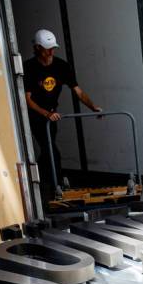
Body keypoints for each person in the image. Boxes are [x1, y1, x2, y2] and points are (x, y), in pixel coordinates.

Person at [24, 28, 101, 190]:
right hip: (36, 115)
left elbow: (78, 91)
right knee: (52, 150)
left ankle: (36, 178)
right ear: (37, 48)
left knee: (48, 149)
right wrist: (47, 113)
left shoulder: (61, 66)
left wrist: (92, 106)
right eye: (47, 48)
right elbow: (27, 100)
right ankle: (57, 186)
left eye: (53, 48)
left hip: (53, 114)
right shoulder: (30, 68)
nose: (51, 51)